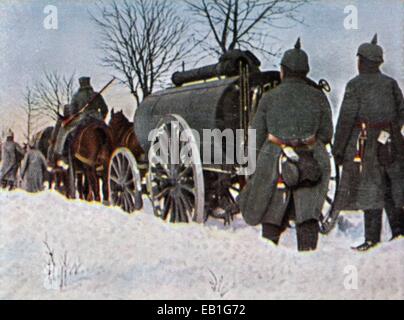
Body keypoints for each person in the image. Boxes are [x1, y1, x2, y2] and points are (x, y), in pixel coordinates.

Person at [239, 38, 334, 252]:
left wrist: (253, 167)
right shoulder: (318, 97)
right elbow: (327, 133)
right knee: (307, 212)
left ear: (283, 71)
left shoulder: (269, 97)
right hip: (310, 159)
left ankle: (270, 254)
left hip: (275, 157)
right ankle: (308, 255)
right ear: (305, 71)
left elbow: (256, 135)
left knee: (271, 209)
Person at [333, 34, 404, 252]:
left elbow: (346, 120)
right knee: (394, 186)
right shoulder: (391, 84)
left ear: (363, 61)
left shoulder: (355, 85)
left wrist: (338, 149)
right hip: (393, 143)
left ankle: (372, 240)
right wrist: (390, 130)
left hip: (366, 145)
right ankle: (399, 235)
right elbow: (402, 112)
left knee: (370, 189)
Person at [50, 77, 109, 163]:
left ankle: (60, 153)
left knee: (64, 130)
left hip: (83, 119)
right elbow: (105, 110)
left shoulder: (76, 96)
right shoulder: (97, 95)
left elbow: (73, 112)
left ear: (81, 84)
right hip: (98, 119)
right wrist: (101, 119)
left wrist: (75, 115)